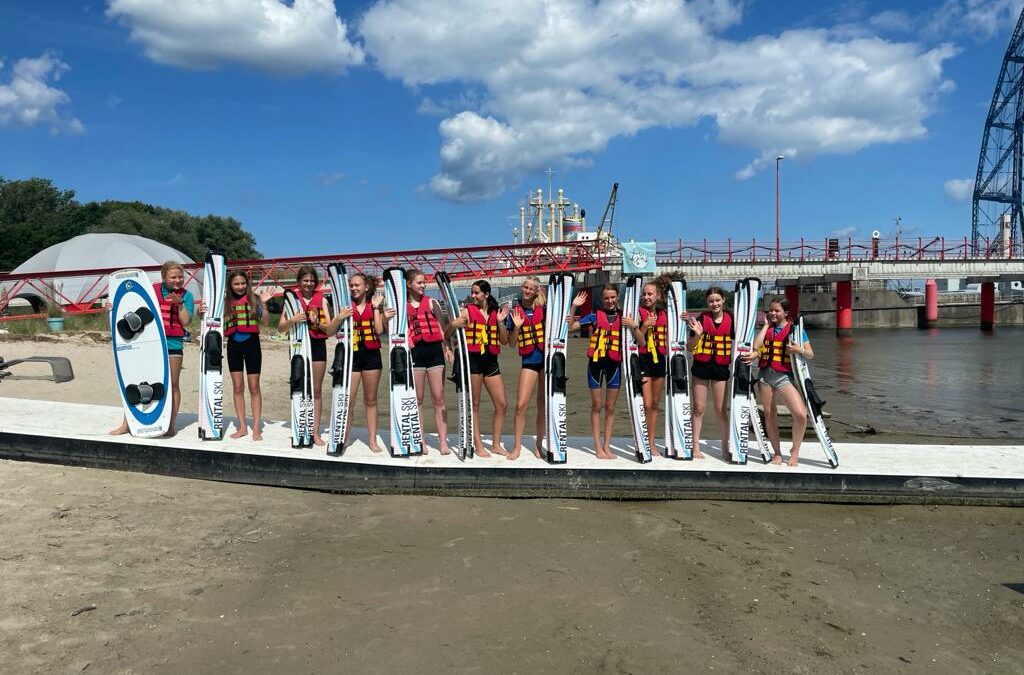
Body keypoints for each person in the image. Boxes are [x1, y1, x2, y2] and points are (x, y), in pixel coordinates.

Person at [110, 261, 198, 437]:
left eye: (180, 277)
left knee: (173, 384)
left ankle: (171, 424)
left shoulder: (187, 295)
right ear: (164, 277)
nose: (177, 280)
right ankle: (127, 424)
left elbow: (185, 322)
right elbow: (129, 307)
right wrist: (111, 307)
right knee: (136, 380)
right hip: (149, 344)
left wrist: (180, 304)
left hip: (173, 344)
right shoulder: (151, 290)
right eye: (173, 277)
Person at [327, 272, 389, 452]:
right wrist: (339, 317)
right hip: (351, 357)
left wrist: (376, 309)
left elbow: (379, 331)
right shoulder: (345, 307)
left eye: (357, 285)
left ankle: (372, 440)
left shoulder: (375, 305)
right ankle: (344, 437)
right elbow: (329, 332)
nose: (353, 288)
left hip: (371, 356)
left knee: (371, 399)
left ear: (366, 287)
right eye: (351, 285)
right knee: (349, 400)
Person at [447, 279, 509, 457]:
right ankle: (478, 444)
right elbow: (447, 334)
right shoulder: (466, 311)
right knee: (474, 404)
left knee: (502, 404)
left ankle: (496, 444)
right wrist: (452, 325)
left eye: (476, 293)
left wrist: (500, 323)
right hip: (472, 361)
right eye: (472, 292)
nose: (472, 296)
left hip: (491, 362)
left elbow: (504, 341)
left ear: (486, 294)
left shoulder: (496, 313)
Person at [748, 297, 811, 466]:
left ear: (786, 312)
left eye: (777, 310)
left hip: (784, 377)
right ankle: (777, 453)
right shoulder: (767, 329)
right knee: (769, 414)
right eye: (771, 310)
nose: (773, 313)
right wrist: (766, 326)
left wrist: (799, 349)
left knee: (801, 415)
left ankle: (794, 451)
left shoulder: (795, 330)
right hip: (765, 376)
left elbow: (810, 354)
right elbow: (756, 347)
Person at [277, 265, 331, 446]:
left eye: (312, 280)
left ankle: (315, 432)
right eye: (305, 280)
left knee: (316, 389)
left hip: (317, 345)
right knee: (300, 387)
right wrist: (292, 320)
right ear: (299, 282)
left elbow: (329, 329)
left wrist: (318, 322)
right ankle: (300, 426)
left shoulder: (322, 300)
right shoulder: (291, 300)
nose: (309, 284)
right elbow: (281, 328)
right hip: (298, 346)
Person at [567, 284, 620, 460]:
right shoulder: (594, 317)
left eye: (613, 297)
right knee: (597, 405)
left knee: (610, 407)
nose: (610, 301)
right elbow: (571, 327)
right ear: (601, 299)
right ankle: (597, 446)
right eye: (606, 298)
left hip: (614, 366)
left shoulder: (623, 317)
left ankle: (607, 445)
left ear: (617, 297)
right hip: (595, 365)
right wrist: (574, 306)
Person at [406, 268, 451, 455]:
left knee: (439, 399)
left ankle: (443, 442)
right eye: (419, 282)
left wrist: (448, 348)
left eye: (424, 282)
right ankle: (421, 440)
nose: (423, 285)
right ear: (409, 284)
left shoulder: (432, 303)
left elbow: (442, 328)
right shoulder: (402, 306)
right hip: (415, 354)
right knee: (417, 399)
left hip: (434, 353)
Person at [223, 270, 272, 440]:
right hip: (233, 346)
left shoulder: (255, 299)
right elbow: (208, 318)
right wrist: (201, 311)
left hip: (252, 345)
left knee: (254, 387)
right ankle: (242, 426)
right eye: (236, 284)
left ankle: (256, 427)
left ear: (247, 283)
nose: (240, 286)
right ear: (230, 285)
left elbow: (266, 322)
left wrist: (263, 304)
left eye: (243, 283)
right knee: (237, 387)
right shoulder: (225, 302)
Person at [686, 286, 732, 460]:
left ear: (723, 300)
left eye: (718, 300)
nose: (715, 304)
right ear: (707, 302)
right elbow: (689, 347)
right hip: (701, 368)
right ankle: (695, 447)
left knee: (721, 410)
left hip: (721, 369)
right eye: (711, 301)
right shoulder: (700, 320)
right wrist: (698, 335)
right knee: (698, 408)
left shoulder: (732, 320)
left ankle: (725, 447)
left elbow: (742, 343)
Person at [623, 281, 668, 456]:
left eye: (650, 294)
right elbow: (640, 341)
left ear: (658, 296)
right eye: (644, 294)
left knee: (655, 404)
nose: (646, 297)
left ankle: (651, 442)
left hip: (659, 360)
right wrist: (641, 325)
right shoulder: (638, 313)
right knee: (646, 404)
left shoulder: (664, 314)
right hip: (643, 360)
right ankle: (642, 441)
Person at [506, 276, 545, 460]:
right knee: (521, 405)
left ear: (536, 291)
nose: (527, 291)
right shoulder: (515, 313)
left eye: (531, 288)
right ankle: (517, 446)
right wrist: (517, 328)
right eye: (525, 287)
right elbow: (512, 343)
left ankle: (539, 445)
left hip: (546, 362)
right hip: (529, 362)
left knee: (542, 405)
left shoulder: (544, 310)